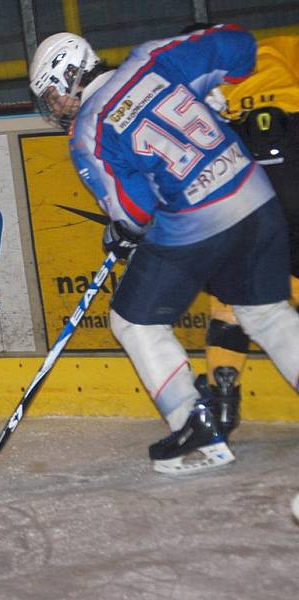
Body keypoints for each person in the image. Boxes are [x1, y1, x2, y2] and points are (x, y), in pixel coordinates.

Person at [29, 26, 299, 474]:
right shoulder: (152, 57)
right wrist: (218, 89)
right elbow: (240, 46)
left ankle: (196, 428)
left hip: (198, 220)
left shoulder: (87, 132)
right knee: (266, 313)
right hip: (256, 196)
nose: (55, 108)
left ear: (69, 77)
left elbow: (135, 211)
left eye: (53, 96)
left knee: (133, 322)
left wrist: (121, 232)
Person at [191, 32, 299, 442]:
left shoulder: (179, 86)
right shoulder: (275, 47)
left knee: (231, 305)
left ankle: (222, 397)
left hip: (244, 186)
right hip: (290, 156)